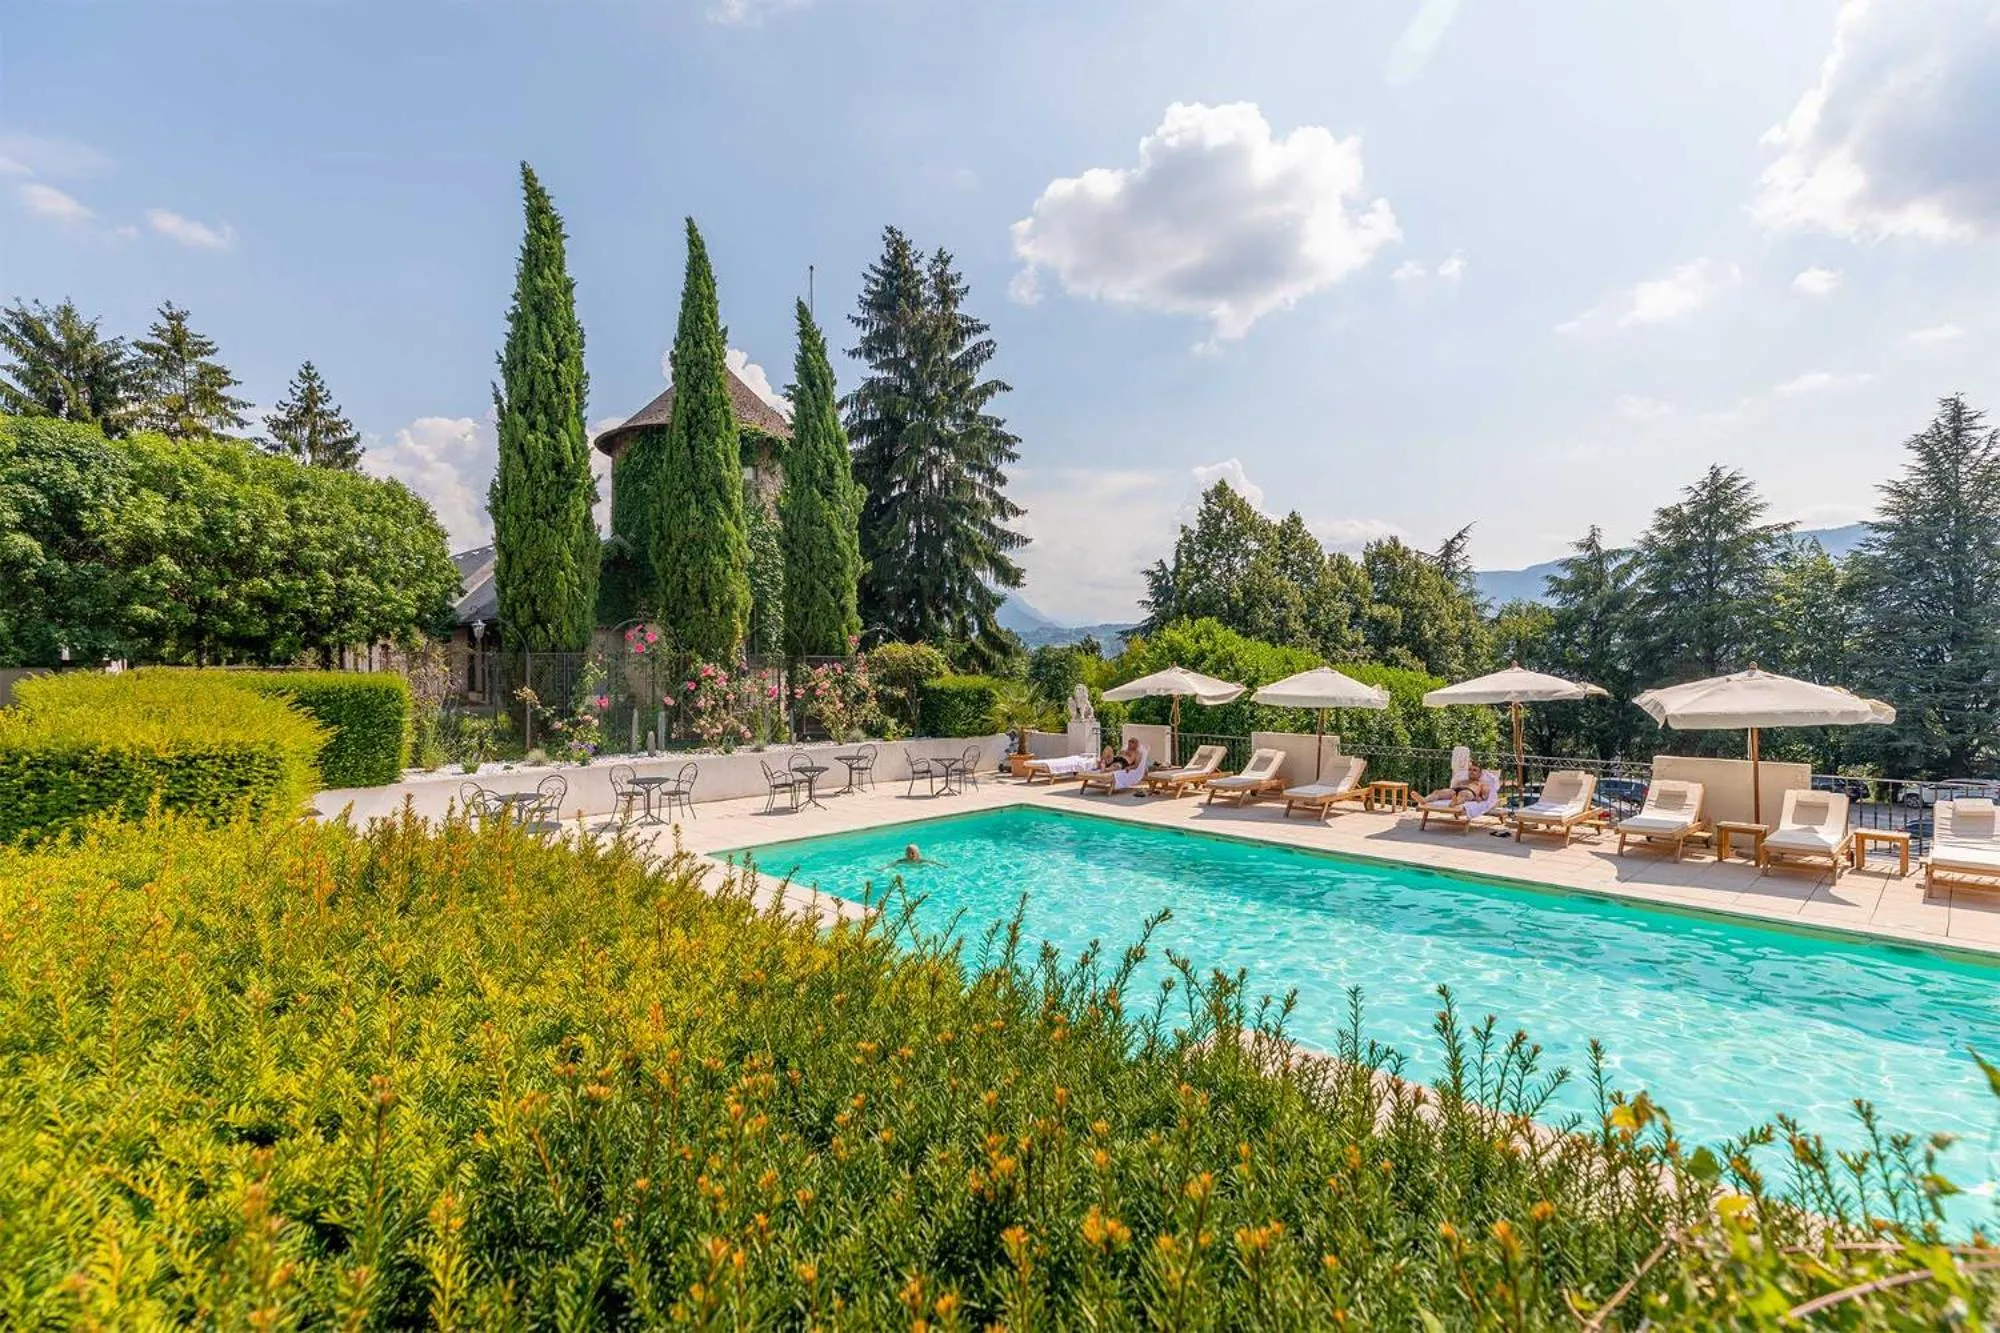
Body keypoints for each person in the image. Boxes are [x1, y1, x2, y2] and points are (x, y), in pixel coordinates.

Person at [1424, 763, 1490, 808]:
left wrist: (1478, 798)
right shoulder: (1463, 781)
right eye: (1469, 770)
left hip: (1469, 792)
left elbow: (1485, 797)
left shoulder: (1481, 784)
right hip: (1455, 791)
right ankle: (1424, 800)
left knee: (1463, 794)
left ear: (1480, 774)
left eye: (1474, 770)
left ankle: (1455, 803)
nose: (1471, 772)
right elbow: (1453, 788)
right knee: (1437, 792)